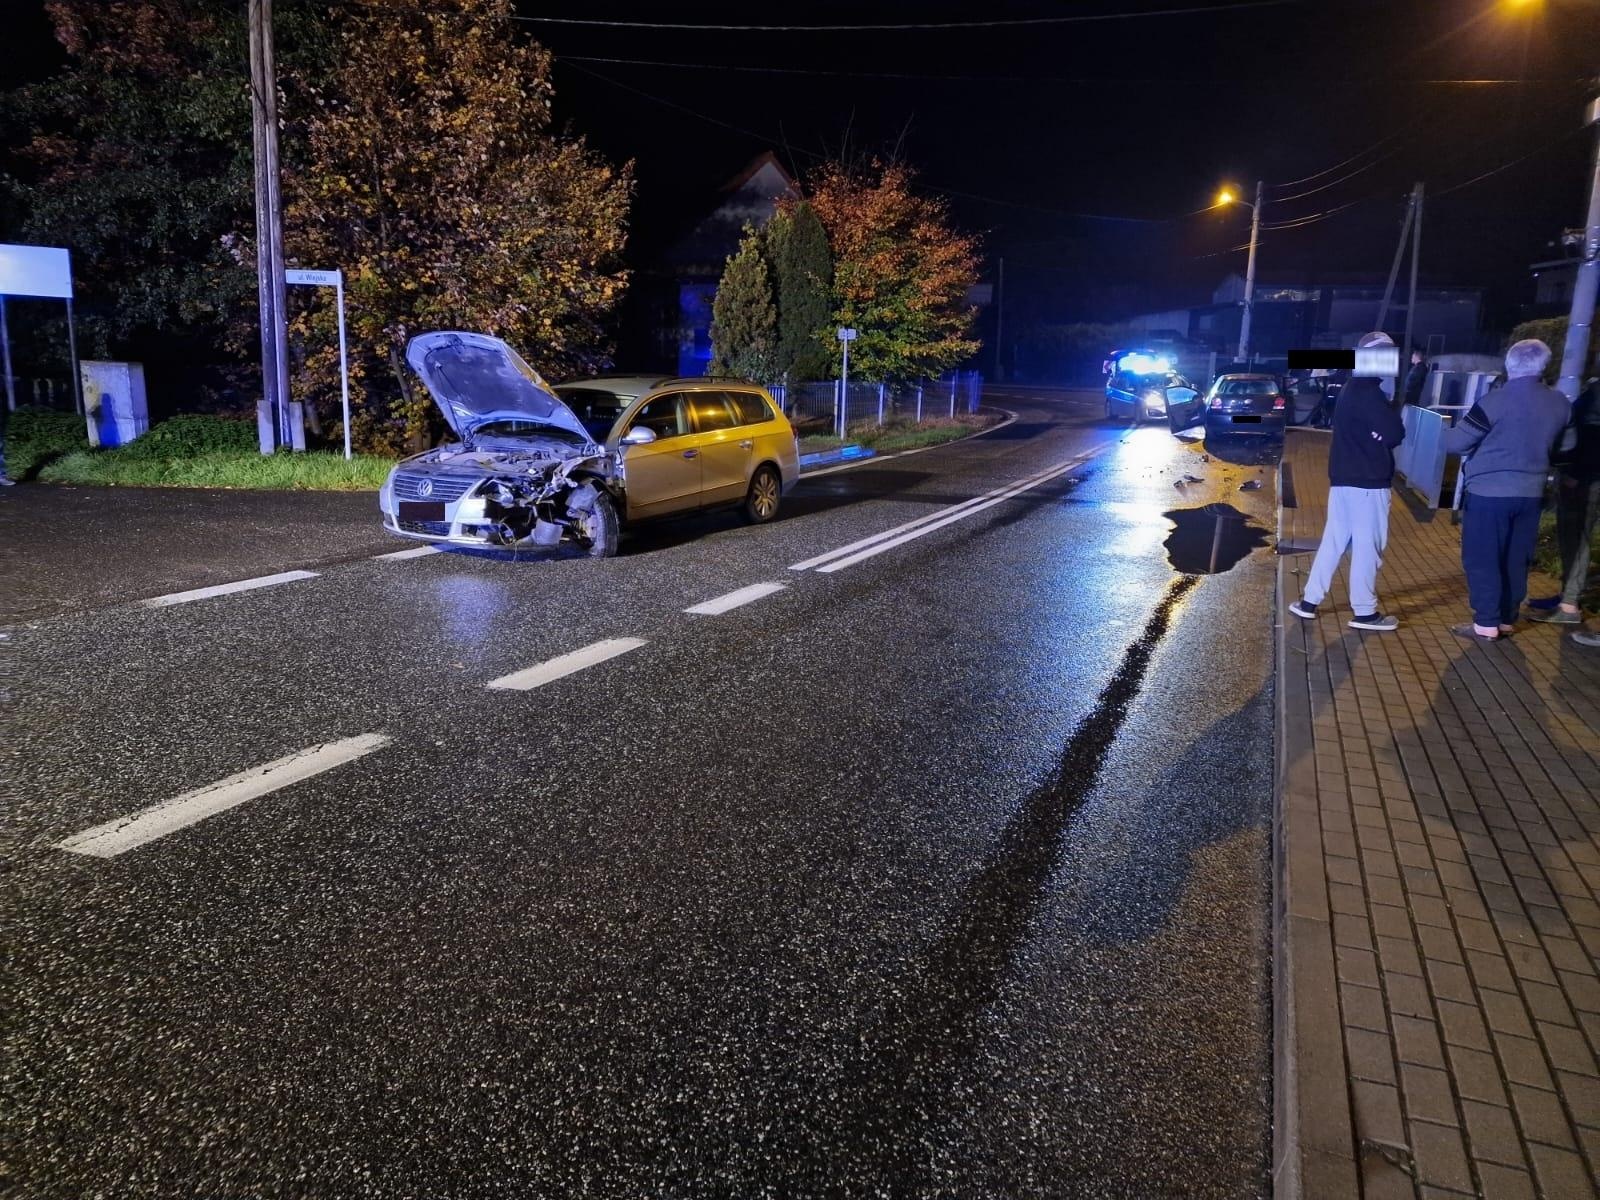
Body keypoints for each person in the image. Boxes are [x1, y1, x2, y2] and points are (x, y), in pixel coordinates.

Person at [1443, 338, 1573, 641]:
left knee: (1483, 556)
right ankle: (1506, 619)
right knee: (1517, 556)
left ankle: (1486, 622)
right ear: (1544, 366)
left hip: (1488, 493)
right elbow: (1567, 450)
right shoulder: (1560, 404)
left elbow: (1457, 443)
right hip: (1532, 493)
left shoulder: (1495, 401)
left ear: (1509, 365)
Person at [1288, 331, 1406, 631]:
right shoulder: (1369, 393)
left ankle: (1309, 602)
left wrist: (1378, 432)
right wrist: (1381, 433)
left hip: (1343, 480)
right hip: (1368, 483)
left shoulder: (1351, 389)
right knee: (1368, 548)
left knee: (1333, 542)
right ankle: (1365, 613)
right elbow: (1395, 434)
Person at [1526, 377, 1599, 628]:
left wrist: (1575, 474)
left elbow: (1591, 440)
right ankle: (1566, 596)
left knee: (1576, 539)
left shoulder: (1595, 396)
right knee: (1572, 538)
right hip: (1583, 478)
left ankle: (1569, 604)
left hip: (1584, 481)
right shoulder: (1593, 392)